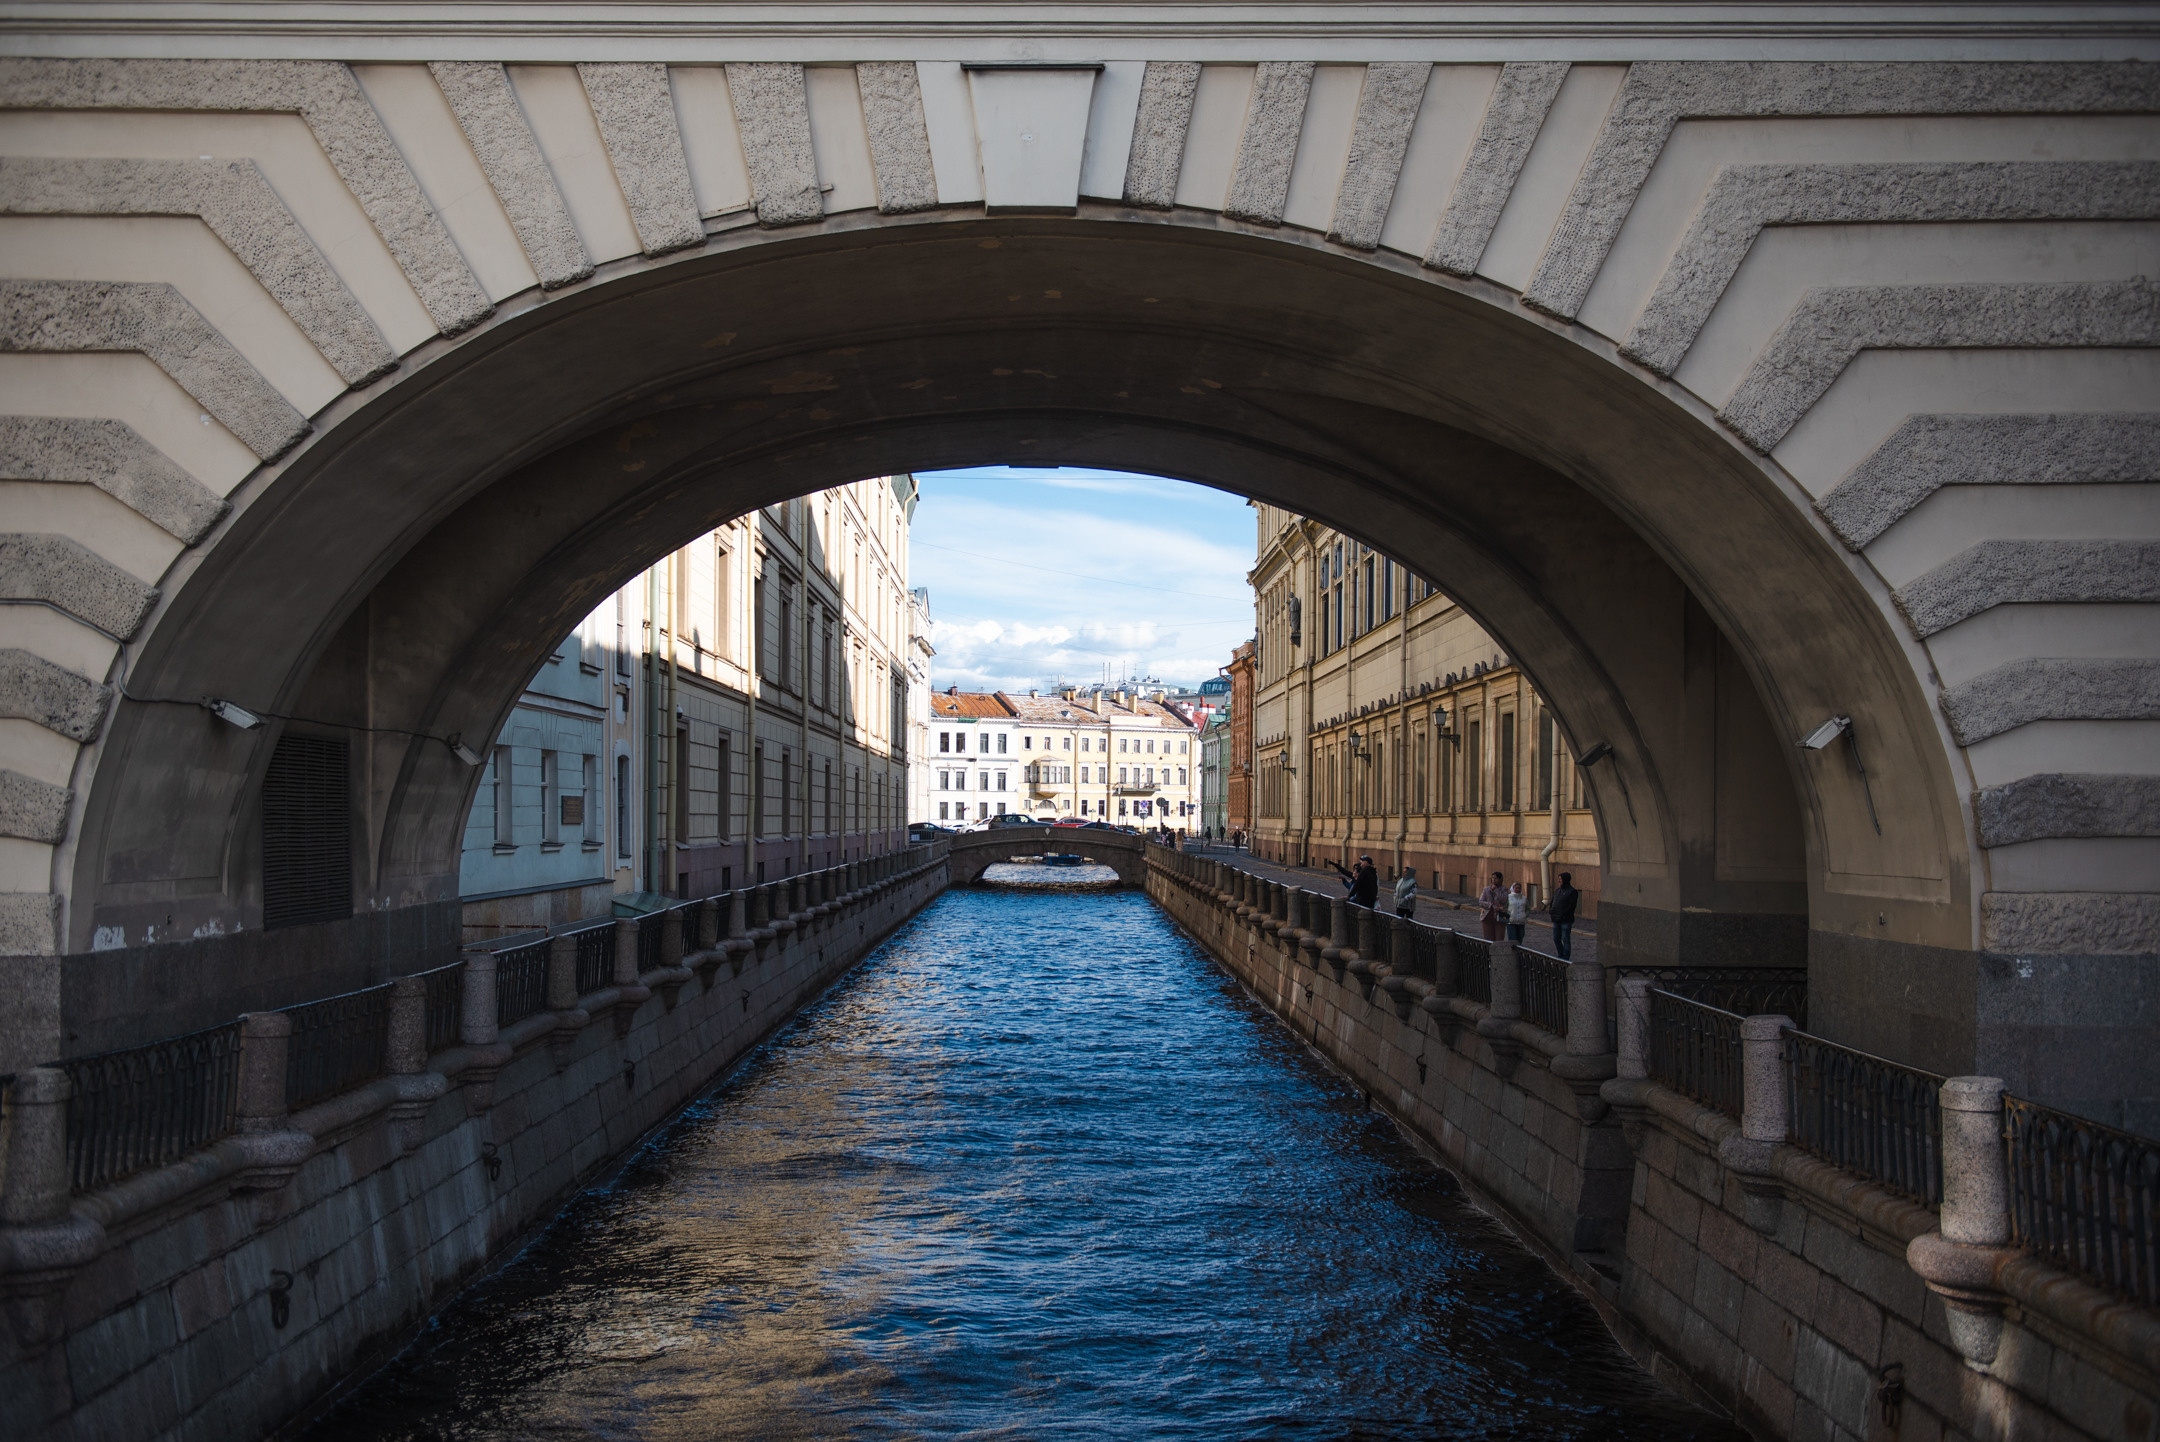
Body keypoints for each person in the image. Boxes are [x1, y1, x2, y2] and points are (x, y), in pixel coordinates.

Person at [1549, 871, 1579, 960]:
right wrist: (1551, 911)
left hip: (1566, 919)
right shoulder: (1558, 890)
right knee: (1556, 938)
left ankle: (1565, 957)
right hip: (1556, 919)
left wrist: (1563, 914)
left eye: (1560, 879)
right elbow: (1553, 902)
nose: (1559, 881)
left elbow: (1571, 906)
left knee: (1565, 938)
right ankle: (1560, 954)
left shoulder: (1572, 891)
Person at [1479, 872, 1505, 941]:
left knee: (1499, 938)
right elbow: (1481, 902)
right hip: (1487, 915)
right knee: (1488, 939)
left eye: (1496, 878)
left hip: (1500, 916)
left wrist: (1496, 891)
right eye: (1492, 878)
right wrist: (1491, 906)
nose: (1493, 880)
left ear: (1500, 879)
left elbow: (1504, 900)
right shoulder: (1486, 889)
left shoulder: (1504, 889)